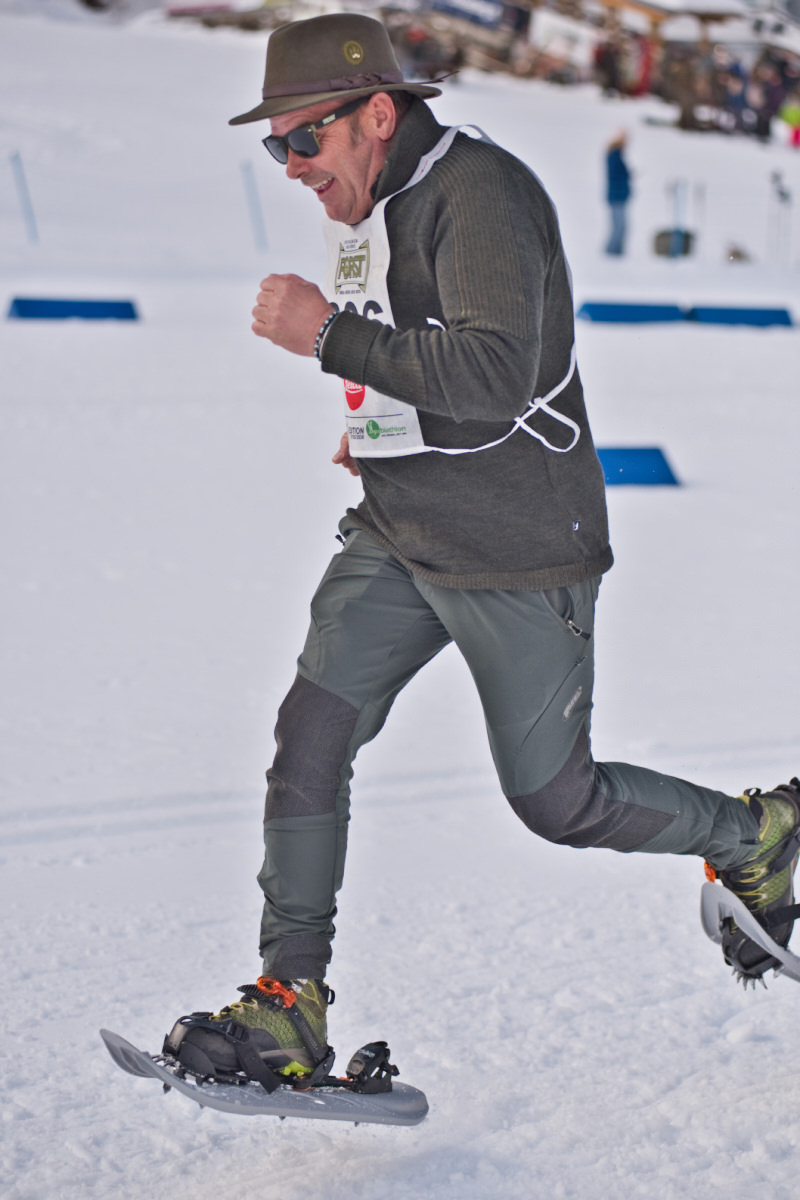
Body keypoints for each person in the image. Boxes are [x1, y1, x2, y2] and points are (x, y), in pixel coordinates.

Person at [163, 13, 800, 1088]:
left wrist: (324, 336)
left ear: (377, 114)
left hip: (517, 546)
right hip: (401, 527)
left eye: (304, 138)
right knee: (309, 736)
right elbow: (422, 353)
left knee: (558, 801)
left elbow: (497, 373)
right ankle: (289, 1001)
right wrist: (377, 423)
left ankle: (756, 832)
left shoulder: (480, 194)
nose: (292, 165)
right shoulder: (373, 203)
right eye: (275, 146)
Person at [604, 130, 631, 255]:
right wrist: (627, 175)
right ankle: (611, 252)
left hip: (620, 196)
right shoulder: (614, 155)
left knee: (621, 226)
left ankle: (617, 252)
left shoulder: (617, 155)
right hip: (617, 196)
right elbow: (616, 176)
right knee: (619, 226)